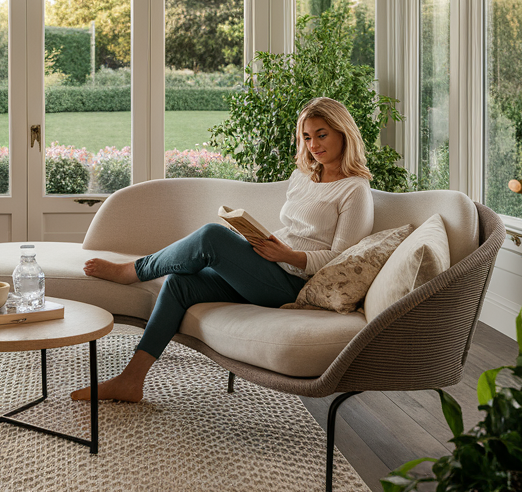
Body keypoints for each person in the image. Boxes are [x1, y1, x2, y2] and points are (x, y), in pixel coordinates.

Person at [73, 96, 375, 402]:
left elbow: (341, 258)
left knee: (211, 236)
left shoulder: (355, 190)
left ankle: (133, 271)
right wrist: (256, 241)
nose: (313, 145)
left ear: (343, 132)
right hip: (270, 267)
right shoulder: (304, 176)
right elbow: (299, 231)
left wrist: (287, 255)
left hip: (294, 285)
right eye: (307, 137)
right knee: (181, 284)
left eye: (321, 135)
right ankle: (131, 380)